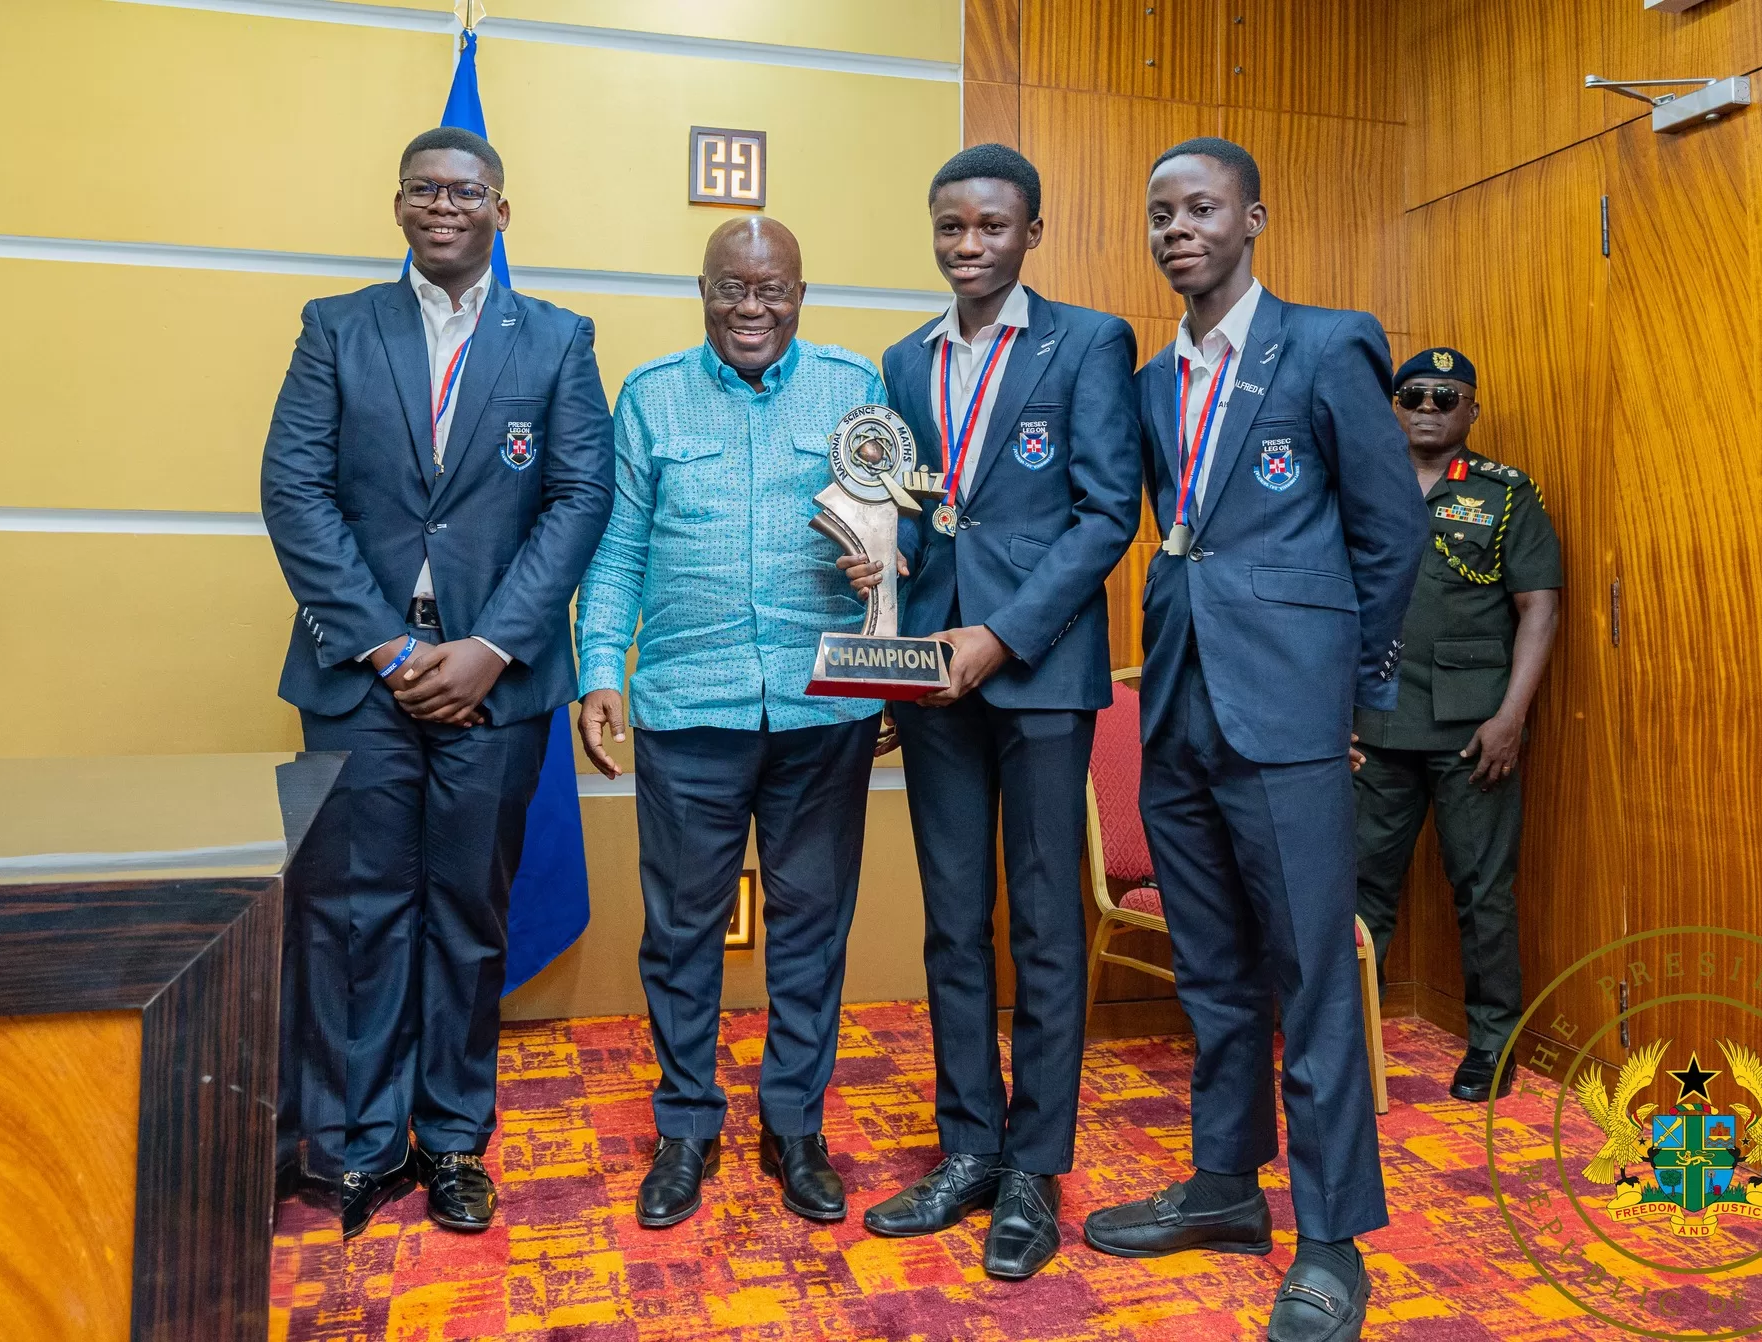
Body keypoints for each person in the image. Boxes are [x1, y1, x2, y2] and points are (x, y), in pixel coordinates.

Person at [1079, 138, 1423, 1342]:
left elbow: (1389, 535)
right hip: (1173, 708)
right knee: (1214, 978)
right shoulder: (1141, 378)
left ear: (1253, 219)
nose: (1178, 227)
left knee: (1310, 980)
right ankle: (1226, 1188)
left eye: (1202, 207)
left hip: (1286, 718)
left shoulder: (1326, 345)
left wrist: (1347, 699)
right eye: (1160, 210)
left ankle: (1331, 1241)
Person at [260, 126, 615, 1239]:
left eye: (466, 191)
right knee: (355, 916)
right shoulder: (335, 329)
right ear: (400, 203)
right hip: (360, 675)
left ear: (499, 211)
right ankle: (359, 1145)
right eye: (425, 188)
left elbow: (577, 500)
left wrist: (489, 647)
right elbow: (293, 492)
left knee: (467, 916)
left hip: (495, 683)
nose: (444, 205)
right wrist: (387, 647)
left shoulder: (556, 341)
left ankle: (454, 1137)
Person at [845, 144, 1142, 1281]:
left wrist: (1001, 634)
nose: (967, 245)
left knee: (1042, 926)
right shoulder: (902, 360)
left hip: (1036, 671)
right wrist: (871, 559)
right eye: (949, 227)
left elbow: (1105, 514)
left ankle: (1035, 1167)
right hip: (930, 671)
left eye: (989, 226)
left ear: (1029, 232)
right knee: (949, 917)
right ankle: (966, 1146)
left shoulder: (1086, 341)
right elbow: (916, 515)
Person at [575, 218, 889, 1231]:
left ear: (801, 293)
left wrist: (885, 597)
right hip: (687, 706)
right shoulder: (650, 394)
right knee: (680, 932)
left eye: (772, 291)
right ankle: (684, 1125)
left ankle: (792, 1124)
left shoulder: (851, 389)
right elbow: (618, 550)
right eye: (731, 289)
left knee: (810, 926)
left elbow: (899, 534)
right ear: (702, 289)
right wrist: (596, 668)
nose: (751, 310)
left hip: (818, 708)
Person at [1353, 349, 1562, 1104]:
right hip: (1373, 724)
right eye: (1414, 393)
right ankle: (1348, 1042)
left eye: (1449, 395)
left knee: (1484, 892)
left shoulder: (1505, 496)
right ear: (1395, 405)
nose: (1430, 405)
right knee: (1357, 891)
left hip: (1474, 732)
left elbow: (1539, 605)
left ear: (1472, 410)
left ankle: (1493, 1045)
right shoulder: (1359, 488)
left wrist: (1512, 716)